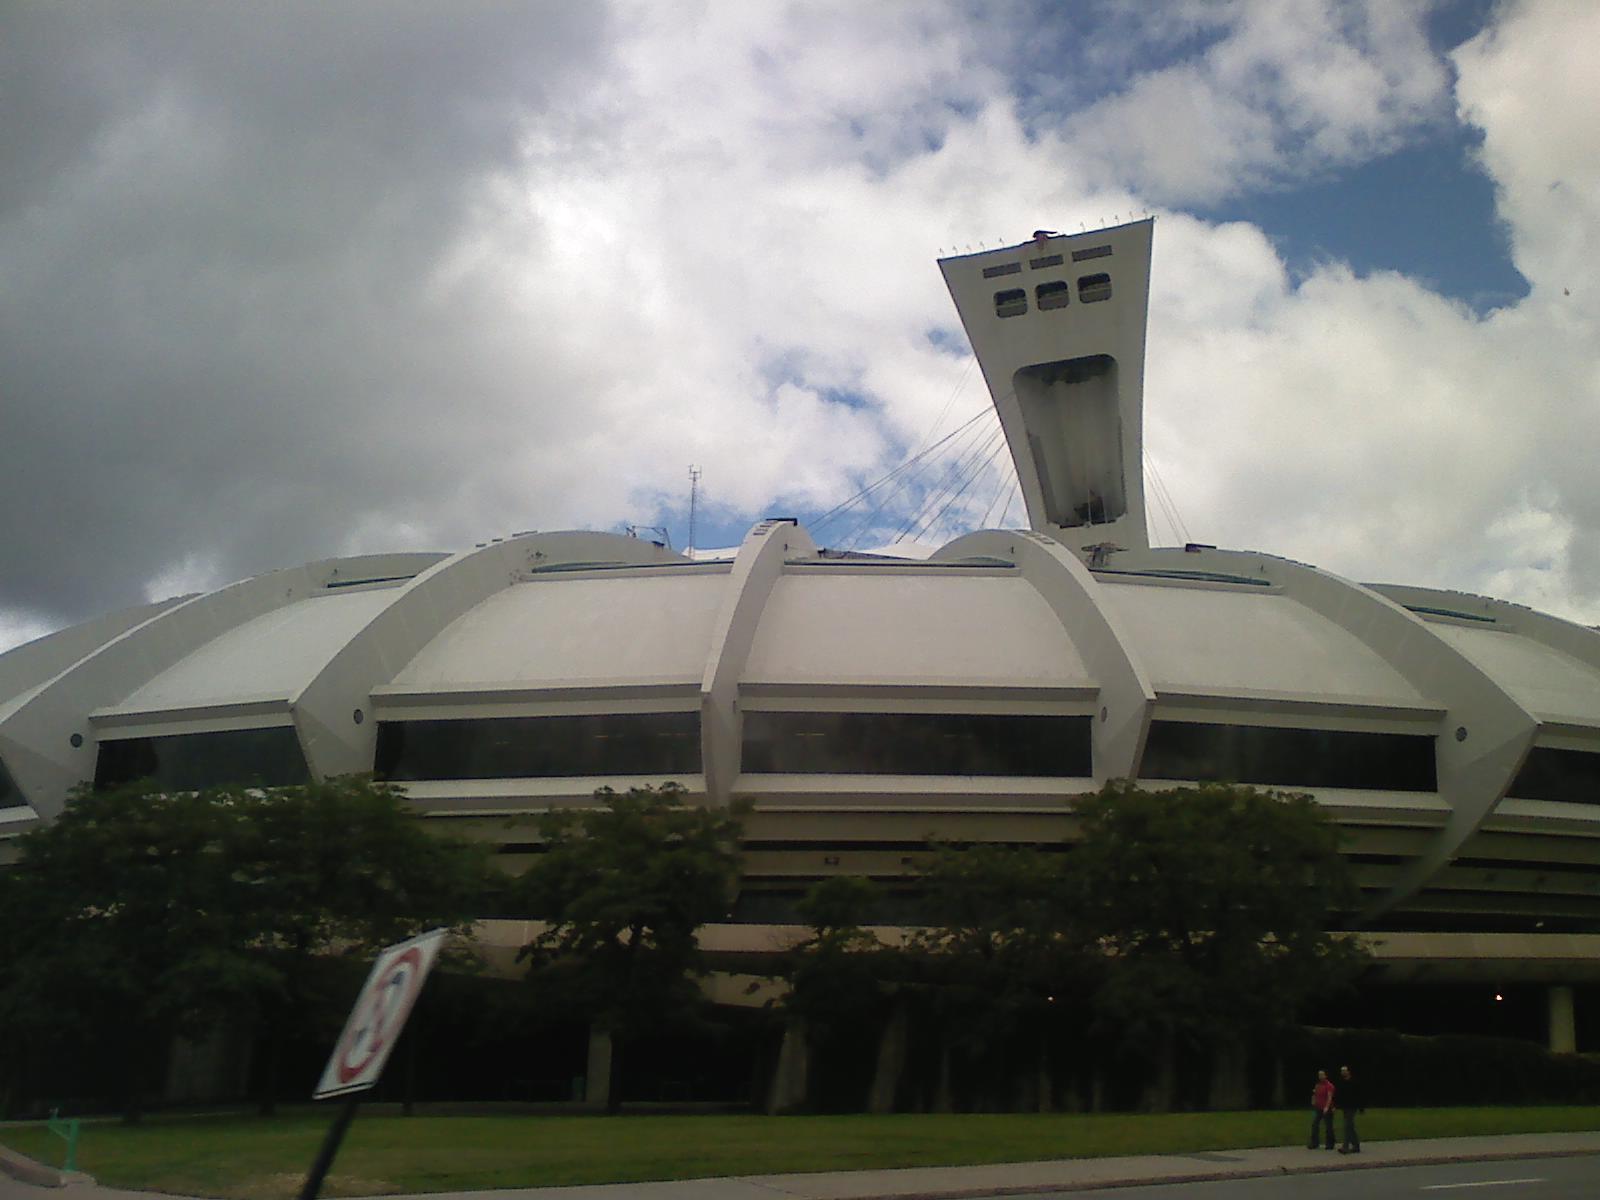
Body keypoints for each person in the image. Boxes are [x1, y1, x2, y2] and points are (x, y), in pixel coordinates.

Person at [1307, 1069, 1336, 1149]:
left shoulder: (1329, 1085)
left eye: (1322, 1074)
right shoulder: (1318, 1085)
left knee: (1328, 1126)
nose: (1320, 1076)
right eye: (1319, 1075)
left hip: (1327, 1108)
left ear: (1325, 1075)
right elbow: (1315, 1094)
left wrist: (1327, 1107)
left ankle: (1330, 1144)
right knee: (1315, 1124)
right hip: (1318, 1108)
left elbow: (1329, 1097)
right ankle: (1314, 1143)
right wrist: (1313, 1101)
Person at [1336, 1065, 1362, 1153]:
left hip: (1352, 1107)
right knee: (1350, 1127)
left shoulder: (1354, 1082)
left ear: (1348, 1072)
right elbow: (1340, 1095)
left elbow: (1359, 1095)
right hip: (1345, 1107)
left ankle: (1345, 1147)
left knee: (1347, 1126)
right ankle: (1356, 1145)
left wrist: (1361, 1107)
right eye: (1341, 1071)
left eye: (1344, 1071)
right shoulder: (1342, 1082)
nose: (1342, 1072)